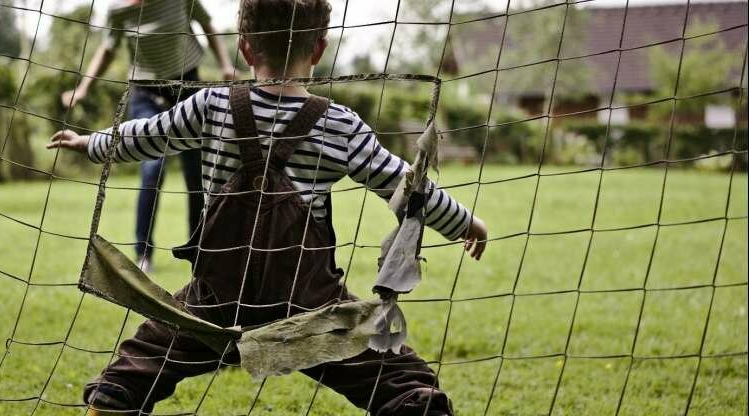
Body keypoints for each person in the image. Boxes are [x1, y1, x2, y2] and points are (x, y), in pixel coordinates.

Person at [47, 0, 488, 414]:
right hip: (311, 310)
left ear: (243, 47)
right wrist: (466, 222)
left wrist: (90, 143)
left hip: (214, 304)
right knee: (405, 382)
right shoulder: (341, 125)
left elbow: (146, 135)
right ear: (319, 48)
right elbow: (407, 187)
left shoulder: (210, 105)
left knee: (131, 372)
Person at [62, 0, 236, 272]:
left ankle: (199, 249)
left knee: (197, 174)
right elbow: (108, 49)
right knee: (152, 168)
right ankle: (144, 253)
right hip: (146, 91)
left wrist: (226, 65)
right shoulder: (119, 9)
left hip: (187, 85)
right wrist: (83, 88)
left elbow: (207, 24)